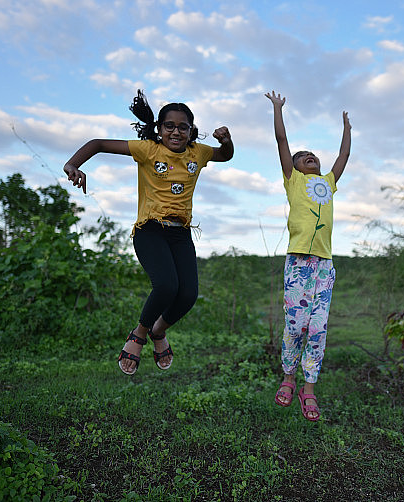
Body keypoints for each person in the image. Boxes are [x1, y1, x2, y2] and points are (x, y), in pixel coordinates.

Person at [64, 90, 234, 376]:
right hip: (149, 230)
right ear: (159, 129)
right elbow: (98, 143)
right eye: (169, 126)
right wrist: (73, 165)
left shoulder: (199, 153)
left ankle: (159, 331)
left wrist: (227, 141)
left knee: (188, 295)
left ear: (192, 131)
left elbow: (224, 156)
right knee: (166, 285)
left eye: (183, 127)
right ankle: (139, 334)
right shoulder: (148, 150)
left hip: (181, 234)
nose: (176, 131)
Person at [265, 91, 351, 421]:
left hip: (325, 266)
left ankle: (309, 388)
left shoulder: (327, 182)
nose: (310, 157)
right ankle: (288, 379)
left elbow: (343, 156)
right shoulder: (294, 181)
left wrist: (347, 129)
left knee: (317, 328)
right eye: (304, 157)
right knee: (295, 326)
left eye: (313, 154)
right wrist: (277, 109)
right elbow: (282, 139)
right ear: (296, 167)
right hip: (299, 262)